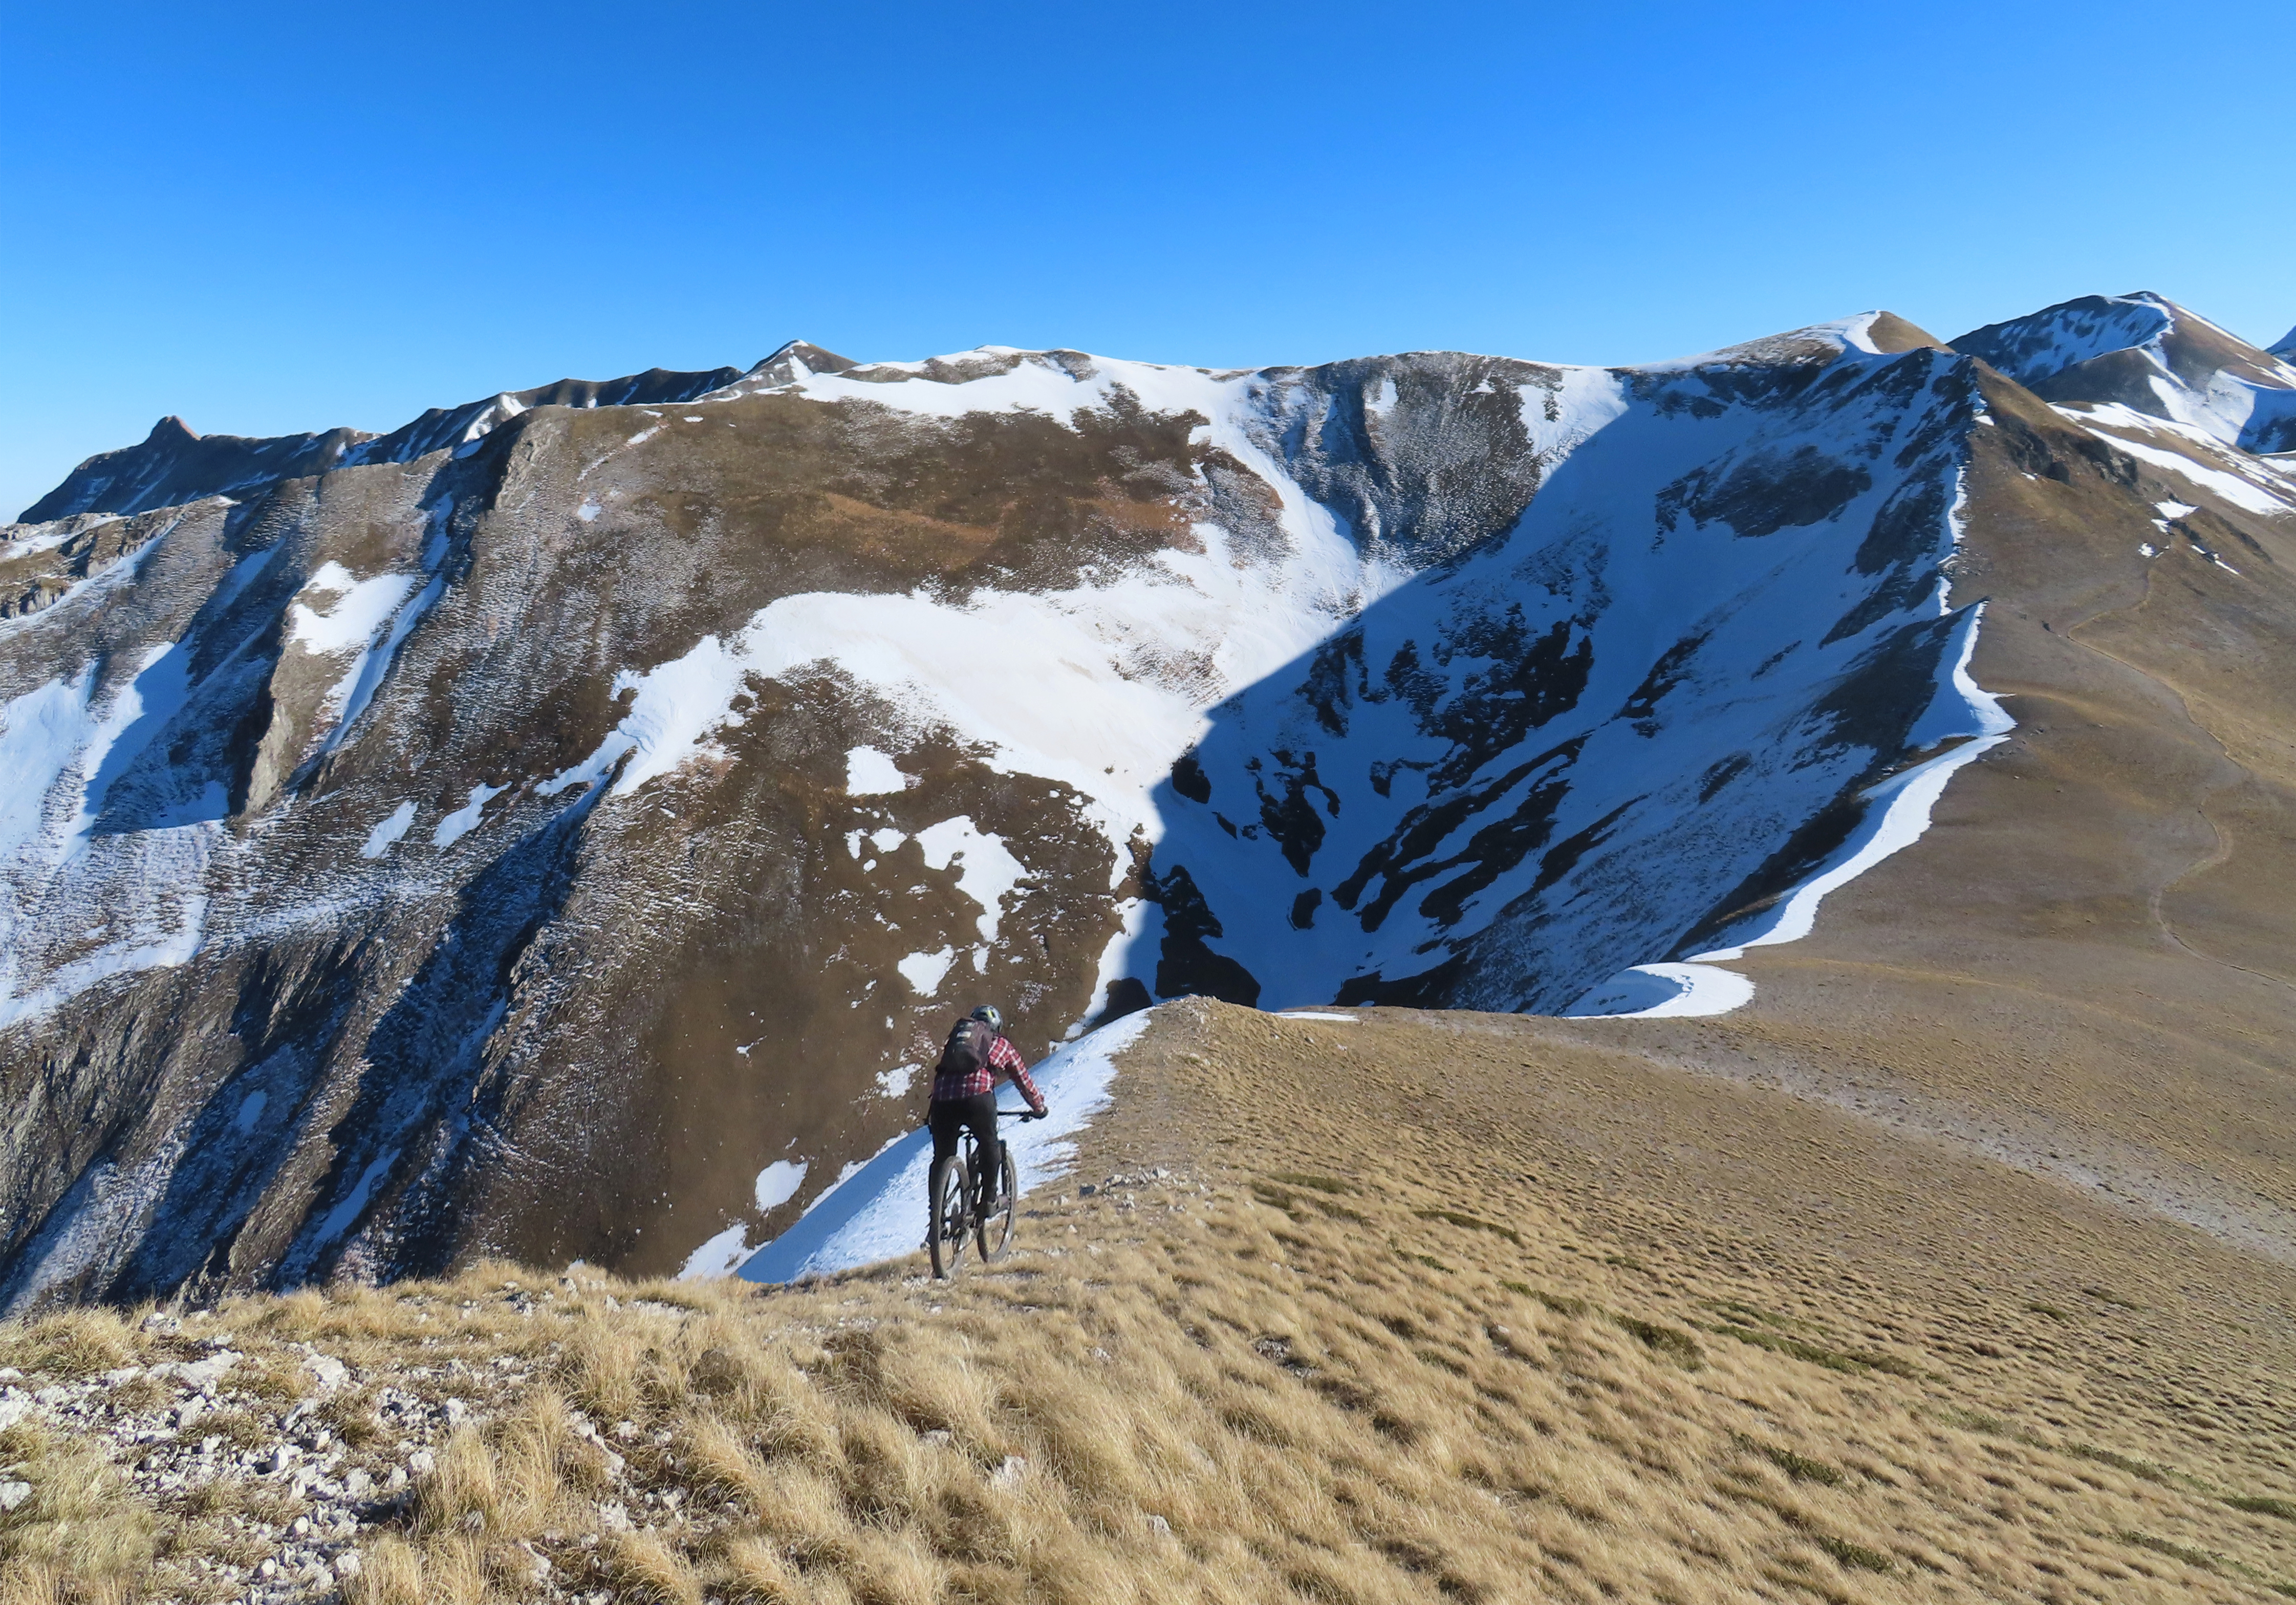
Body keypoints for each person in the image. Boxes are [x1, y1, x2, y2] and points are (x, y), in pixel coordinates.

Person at [928, 1004, 1046, 1215]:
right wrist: (1039, 1108)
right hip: (978, 1099)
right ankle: (989, 1200)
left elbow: (942, 1073)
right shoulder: (1001, 1044)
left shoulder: (956, 1042)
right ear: (996, 1027)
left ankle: (936, 1216)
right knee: (989, 1143)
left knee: (942, 1158)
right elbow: (1024, 1081)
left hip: (942, 1102)